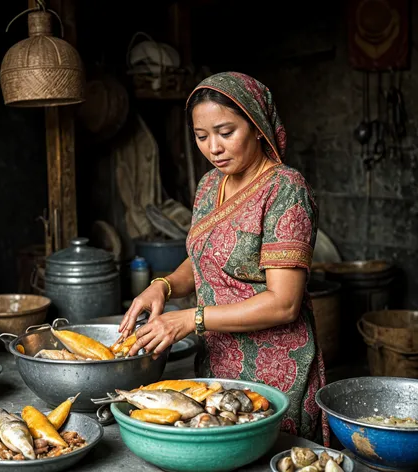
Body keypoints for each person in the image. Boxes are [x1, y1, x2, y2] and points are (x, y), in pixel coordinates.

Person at [118, 71, 329, 445]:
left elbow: (284, 304)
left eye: (226, 132)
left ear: (257, 126)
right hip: (217, 363)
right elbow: (203, 260)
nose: (213, 147)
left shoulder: (285, 189)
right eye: (201, 137)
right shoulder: (209, 185)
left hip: (275, 370)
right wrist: (162, 287)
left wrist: (190, 318)